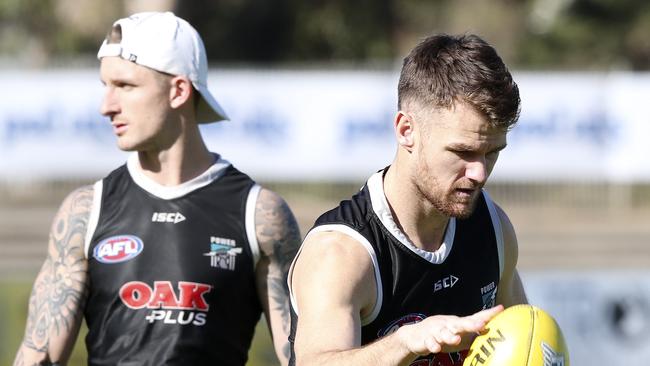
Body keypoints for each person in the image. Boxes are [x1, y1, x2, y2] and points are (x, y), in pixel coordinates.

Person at [13, 11, 300, 366]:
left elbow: (301, 356)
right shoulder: (85, 211)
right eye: (106, 86)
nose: (107, 106)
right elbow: (36, 357)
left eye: (125, 86)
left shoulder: (260, 216)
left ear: (178, 90)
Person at [288, 33, 528, 366]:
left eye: (492, 153)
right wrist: (406, 341)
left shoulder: (494, 229)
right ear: (406, 131)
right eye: (462, 151)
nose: (480, 173)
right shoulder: (343, 253)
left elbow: (523, 338)